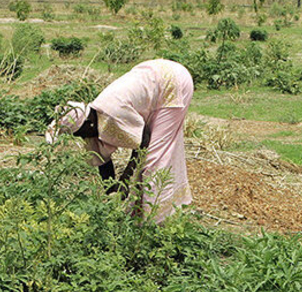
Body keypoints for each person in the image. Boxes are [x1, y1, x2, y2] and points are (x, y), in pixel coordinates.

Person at [45, 59, 194, 223]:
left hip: (172, 83)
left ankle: (158, 224)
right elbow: (102, 161)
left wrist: (125, 179)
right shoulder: (94, 124)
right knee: (146, 165)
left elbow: (143, 140)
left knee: (154, 161)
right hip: (155, 80)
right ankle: (140, 217)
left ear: (87, 123)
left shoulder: (111, 113)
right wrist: (112, 196)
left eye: (81, 133)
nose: (83, 138)